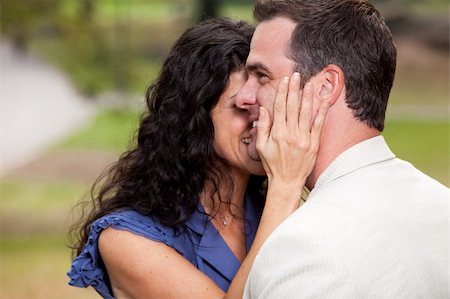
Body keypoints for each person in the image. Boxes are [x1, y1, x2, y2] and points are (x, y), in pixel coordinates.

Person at [67, 18, 328, 299]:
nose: (261, 122)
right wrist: (286, 184)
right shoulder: (125, 240)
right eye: (242, 106)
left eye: (267, 104)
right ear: (195, 116)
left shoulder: (272, 210)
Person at [235, 0, 449, 298]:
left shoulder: (305, 246)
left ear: (324, 87)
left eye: (261, 76)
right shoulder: (442, 204)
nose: (242, 97)